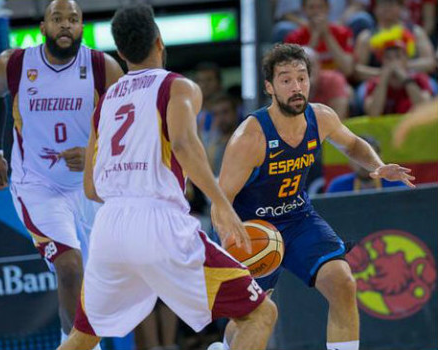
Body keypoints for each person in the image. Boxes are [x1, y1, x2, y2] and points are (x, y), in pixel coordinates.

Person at [57, 4, 277, 350]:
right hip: (159, 224)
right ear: (160, 42)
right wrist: (220, 203)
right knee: (261, 313)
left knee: (81, 338)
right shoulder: (178, 87)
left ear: (121, 53)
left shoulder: (105, 102)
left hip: (110, 228)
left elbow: (91, 187)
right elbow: (185, 143)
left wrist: (129, 184)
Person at [216, 43, 414, 350]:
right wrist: (231, 242)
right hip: (252, 229)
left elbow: (353, 145)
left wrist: (377, 166)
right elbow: (220, 200)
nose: (296, 87)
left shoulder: (321, 117)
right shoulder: (250, 137)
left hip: (298, 218)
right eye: (285, 80)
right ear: (269, 86)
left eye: (302, 78)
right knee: (253, 316)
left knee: (343, 283)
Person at [0, 0, 123, 345]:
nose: (65, 25)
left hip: (88, 187)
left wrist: (93, 154)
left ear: (82, 28)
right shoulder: (14, 63)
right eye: (56, 19)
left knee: (94, 282)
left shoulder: (102, 66)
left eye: (73, 20)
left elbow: (126, 125)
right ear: (43, 27)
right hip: (37, 185)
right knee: (70, 267)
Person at [326, 135, 406, 192]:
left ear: (380, 159)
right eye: (357, 157)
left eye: (368, 157)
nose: (363, 163)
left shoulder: (396, 185)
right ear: (349, 160)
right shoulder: (338, 187)